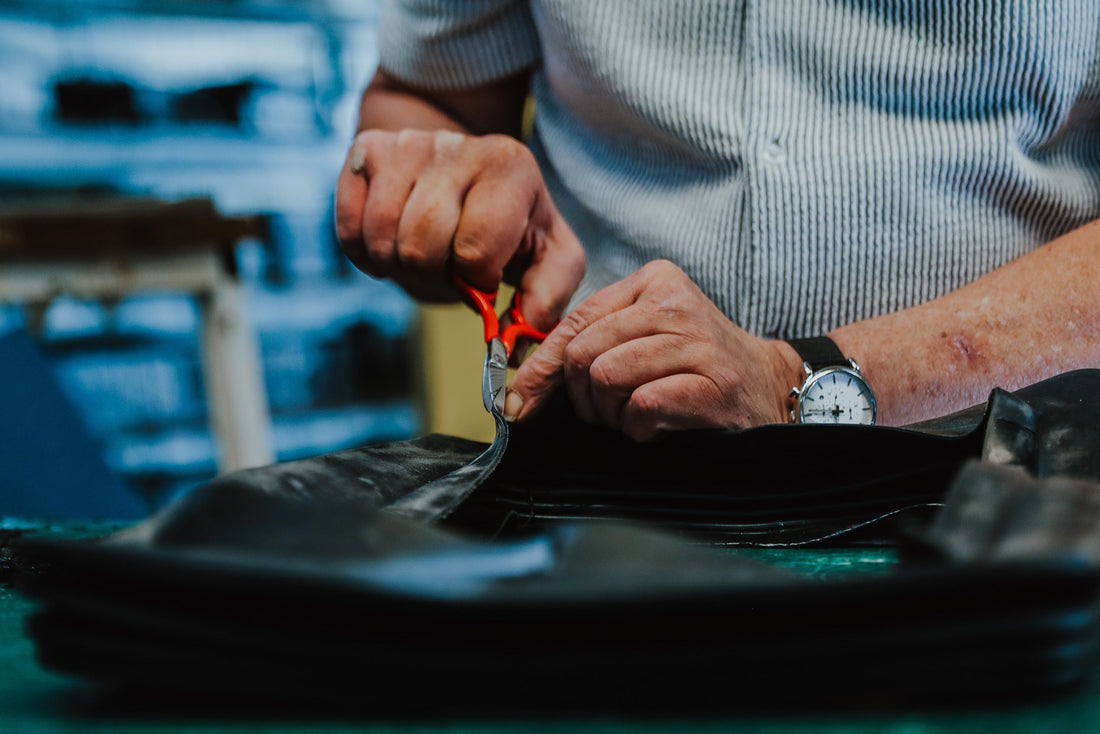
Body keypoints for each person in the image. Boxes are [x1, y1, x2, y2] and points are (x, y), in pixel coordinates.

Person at [335, 1, 1100, 441]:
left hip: (1021, 477)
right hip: (610, 481)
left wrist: (793, 382)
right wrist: (446, 190)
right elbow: (430, 91)